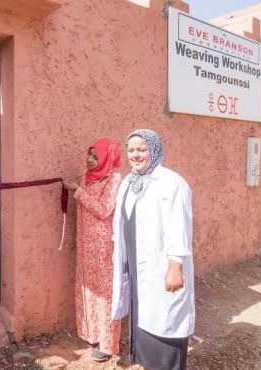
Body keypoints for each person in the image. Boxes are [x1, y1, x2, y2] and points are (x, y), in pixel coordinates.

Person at [111, 129, 195, 370]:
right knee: (144, 314)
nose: (136, 155)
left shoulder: (171, 183)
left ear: (154, 150)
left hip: (161, 264)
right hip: (137, 263)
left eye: (142, 149)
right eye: (131, 150)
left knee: (165, 317)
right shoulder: (129, 181)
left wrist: (175, 267)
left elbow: (179, 226)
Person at [63, 138, 123, 362]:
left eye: (96, 156)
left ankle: (108, 344)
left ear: (107, 158)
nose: (90, 159)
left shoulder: (114, 178)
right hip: (85, 243)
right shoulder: (86, 176)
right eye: (89, 154)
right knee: (87, 288)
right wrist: (77, 188)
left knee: (105, 293)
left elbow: (104, 209)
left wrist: (77, 191)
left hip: (102, 244)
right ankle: (92, 333)